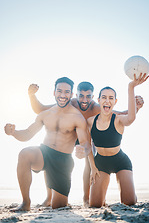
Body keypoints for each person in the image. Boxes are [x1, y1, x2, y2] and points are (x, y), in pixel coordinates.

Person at [28, 82, 145, 206]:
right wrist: (31, 95)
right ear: (76, 95)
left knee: (91, 162)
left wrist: (136, 107)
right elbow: (40, 109)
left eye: (88, 96)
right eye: (81, 96)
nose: (84, 100)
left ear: (93, 97)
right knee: (53, 153)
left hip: (87, 137)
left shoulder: (96, 108)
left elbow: (121, 115)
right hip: (70, 135)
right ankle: (49, 197)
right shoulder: (70, 103)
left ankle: (86, 197)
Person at [4, 77, 98, 211]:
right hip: (44, 154)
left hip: (63, 161)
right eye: (59, 91)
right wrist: (13, 132)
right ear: (54, 92)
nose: (63, 95)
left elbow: (85, 143)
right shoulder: (46, 114)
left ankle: (56, 198)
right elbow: (27, 134)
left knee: (58, 206)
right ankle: (26, 202)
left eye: (66, 92)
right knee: (25, 154)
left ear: (71, 95)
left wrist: (83, 150)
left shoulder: (77, 117)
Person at [87, 73, 149, 207]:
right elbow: (87, 146)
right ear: (98, 100)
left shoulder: (119, 119)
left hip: (120, 161)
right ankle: (102, 195)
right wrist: (92, 167)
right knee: (95, 205)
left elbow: (131, 118)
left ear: (115, 101)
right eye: (104, 97)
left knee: (129, 203)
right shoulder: (90, 122)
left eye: (111, 98)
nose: (107, 101)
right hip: (100, 163)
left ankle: (132, 193)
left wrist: (131, 87)